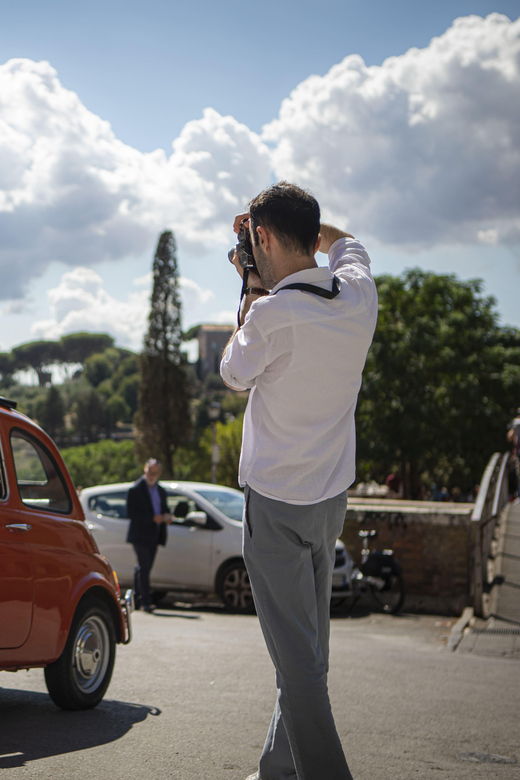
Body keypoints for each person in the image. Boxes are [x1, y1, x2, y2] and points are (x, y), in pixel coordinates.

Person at [220, 181, 378, 780]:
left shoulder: (271, 314)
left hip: (278, 508)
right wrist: (310, 233)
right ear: (314, 237)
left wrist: (250, 285)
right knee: (308, 656)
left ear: (260, 238)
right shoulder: (359, 294)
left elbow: (234, 372)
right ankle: (276, 772)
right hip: (330, 502)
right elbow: (351, 244)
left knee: (300, 667)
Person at [126, 458, 171, 612]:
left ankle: (136, 598)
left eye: (155, 472)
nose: (152, 475)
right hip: (140, 535)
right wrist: (152, 518)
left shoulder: (161, 490)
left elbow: (164, 509)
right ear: (145, 470)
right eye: (150, 471)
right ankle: (146, 602)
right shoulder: (135, 489)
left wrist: (166, 516)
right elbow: (132, 514)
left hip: (155, 534)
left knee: (143, 568)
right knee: (144, 567)